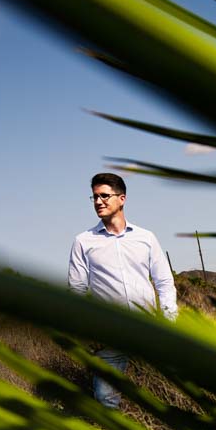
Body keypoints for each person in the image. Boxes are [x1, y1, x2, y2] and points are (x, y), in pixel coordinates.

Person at [67, 172, 177, 408]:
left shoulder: (146, 238)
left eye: (104, 196)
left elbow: (164, 282)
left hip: (149, 327)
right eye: (95, 197)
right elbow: (77, 289)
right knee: (106, 397)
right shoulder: (83, 241)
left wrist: (169, 320)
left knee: (162, 392)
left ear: (122, 198)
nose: (98, 202)